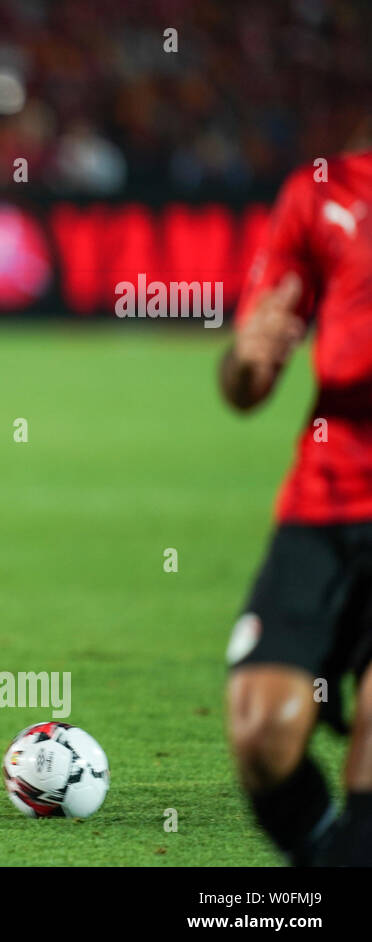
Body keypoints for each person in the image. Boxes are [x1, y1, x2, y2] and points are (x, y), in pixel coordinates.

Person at [219, 135, 372, 865]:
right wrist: (248, 360)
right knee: (261, 737)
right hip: (322, 503)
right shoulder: (323, 190)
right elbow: (243, 388)